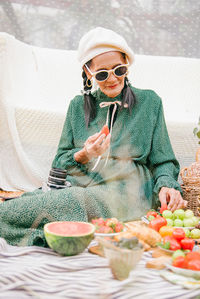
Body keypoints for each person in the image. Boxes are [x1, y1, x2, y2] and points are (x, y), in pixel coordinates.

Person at [0, 27, 187, 247]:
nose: (112, 79)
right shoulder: (77, 107)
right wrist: (84, 154)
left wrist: (167, 185)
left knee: (66, 202)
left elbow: (163, 160)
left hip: (125, 191)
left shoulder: (150, 103)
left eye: (119, 69)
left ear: (127, 63)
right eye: (101, 74)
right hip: (78, 185)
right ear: (89, 72)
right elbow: (59, 163)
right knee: (26, 201)